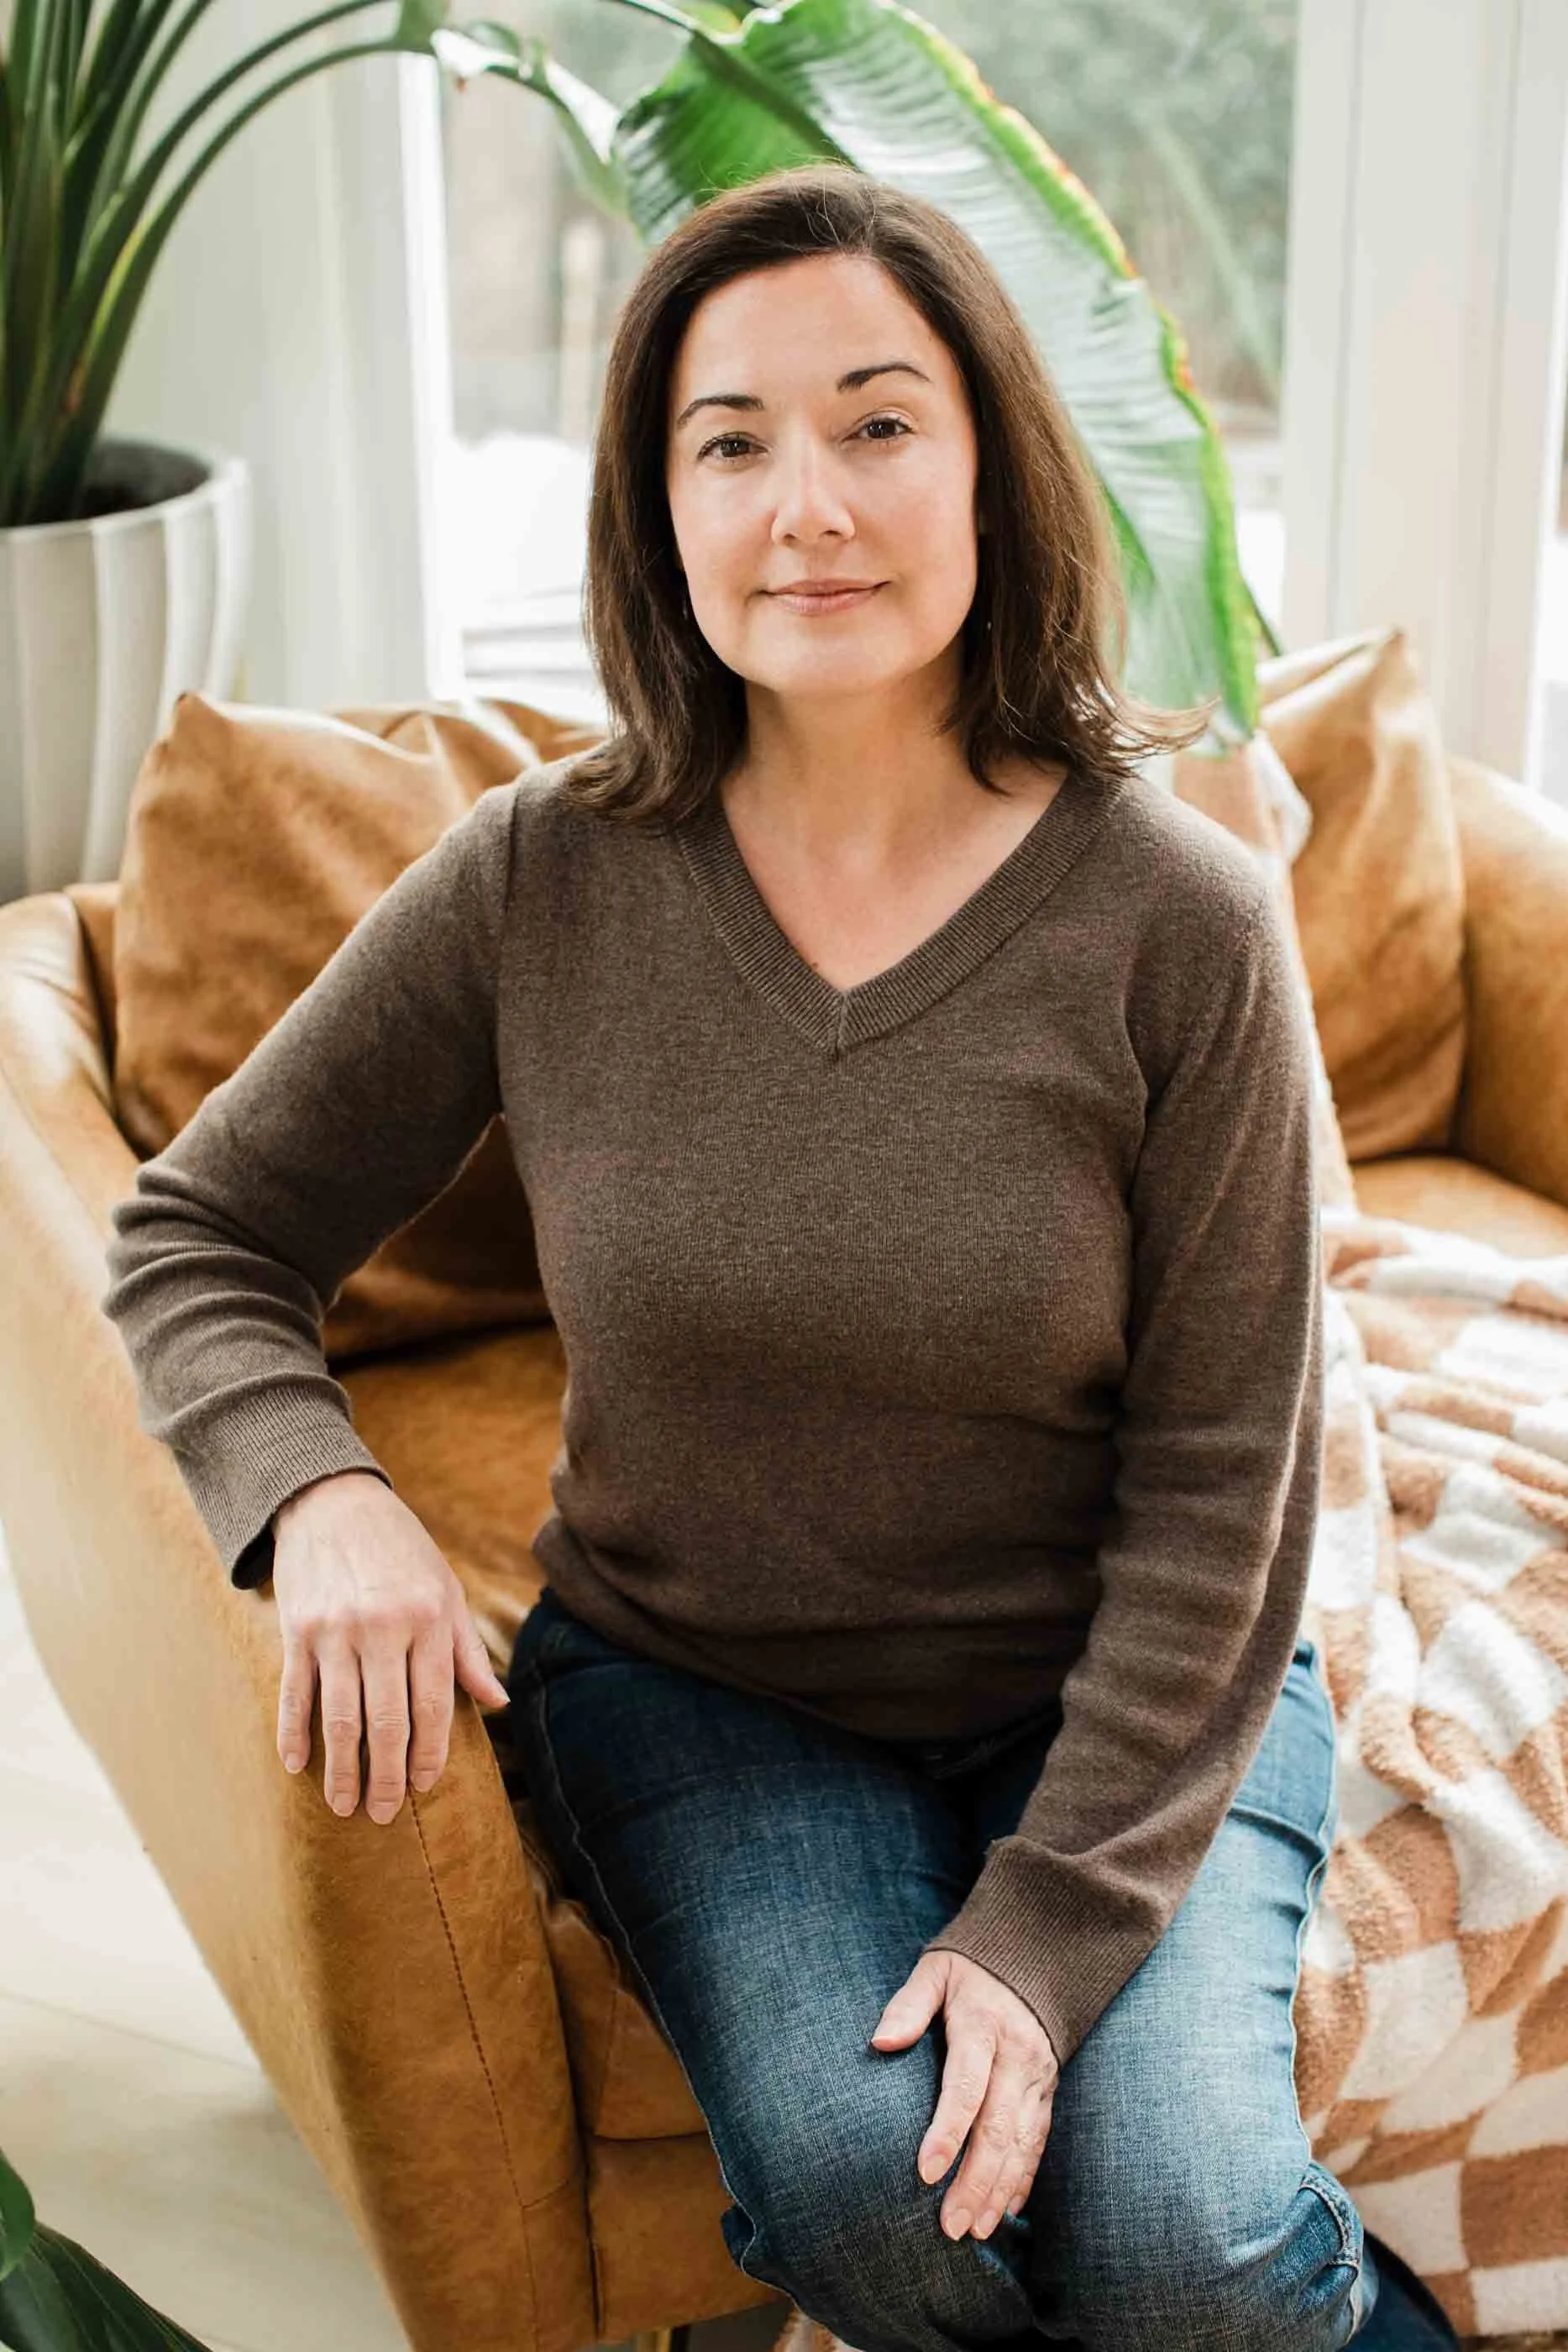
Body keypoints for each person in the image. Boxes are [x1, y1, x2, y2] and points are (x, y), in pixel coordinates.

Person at [102, 165, 1458, 2352]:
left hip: (1132, 1680)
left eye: (877, 422)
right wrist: (318, 1490)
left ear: (994, 468)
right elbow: (200, 1230)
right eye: (728, 442)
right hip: (708, 1693)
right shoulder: (544, 876)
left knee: (1183, 2237)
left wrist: (1043, 1932)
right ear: (655, 510)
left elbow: (1230, 1495)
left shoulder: (1181, 922)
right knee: (874, 2199)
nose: (803, 500)